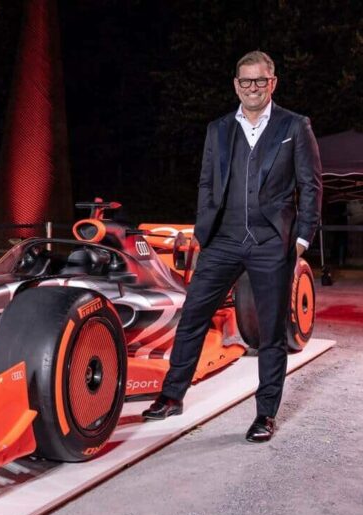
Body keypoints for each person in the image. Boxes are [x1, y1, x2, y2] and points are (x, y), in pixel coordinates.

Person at [142, 51, 323, 442]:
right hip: (223, 240)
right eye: (245, 81)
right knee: (192, 317)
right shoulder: (219, 129)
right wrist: (204, 230)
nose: (252, 88)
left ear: (272, 83)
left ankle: (265, 415)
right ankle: (172, 396)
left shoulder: (295, 126)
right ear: (235, 85)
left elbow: (310, 185)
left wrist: (302, 238)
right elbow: (207, 182)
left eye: (260, 80)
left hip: (271, 242)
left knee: (271, 333)